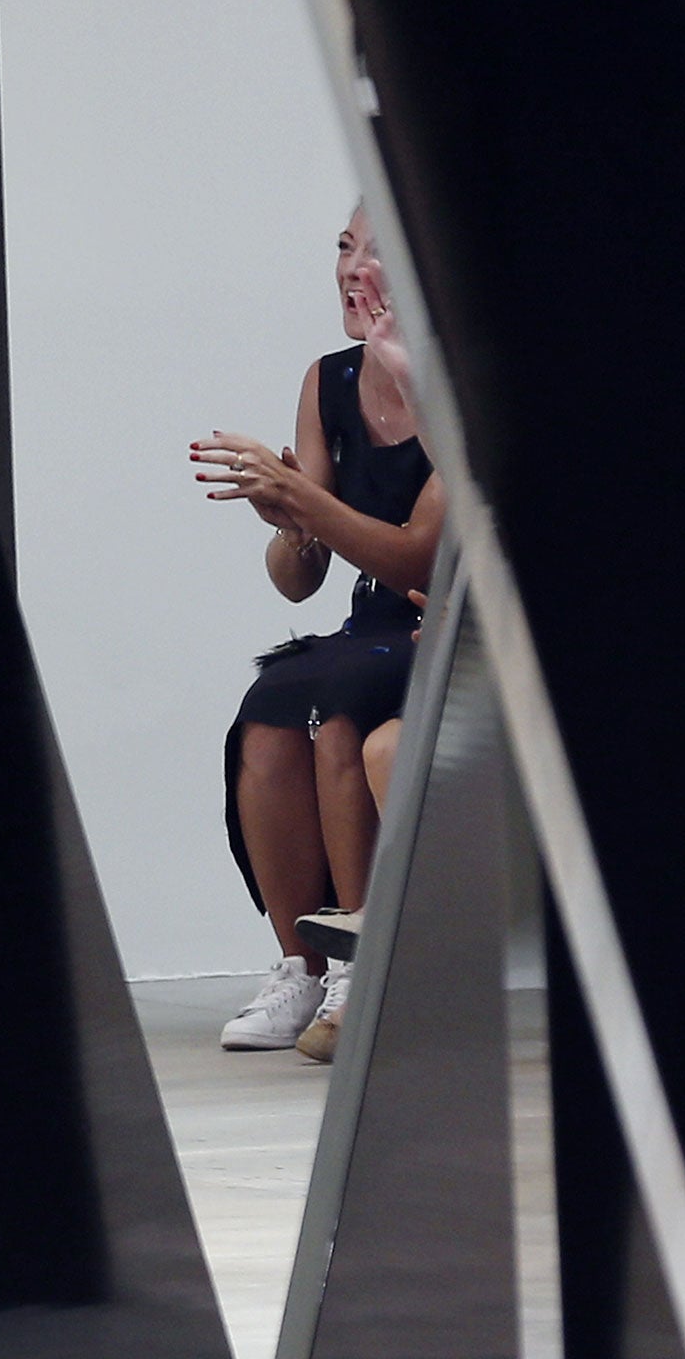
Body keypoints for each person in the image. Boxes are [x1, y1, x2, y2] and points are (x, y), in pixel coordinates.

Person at [192, 208, 441, 1058]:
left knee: (342, 701)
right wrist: (289, 520)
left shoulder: (458, 390)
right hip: (372, 620)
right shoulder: (328, 381)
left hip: (441, 623)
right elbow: (301, 576)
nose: (353, 270)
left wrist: (306, 502)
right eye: (345, 248)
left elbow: (416, 555)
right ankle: (297, 966)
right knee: (271, 702)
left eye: (376, 254)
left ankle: (355, 965)